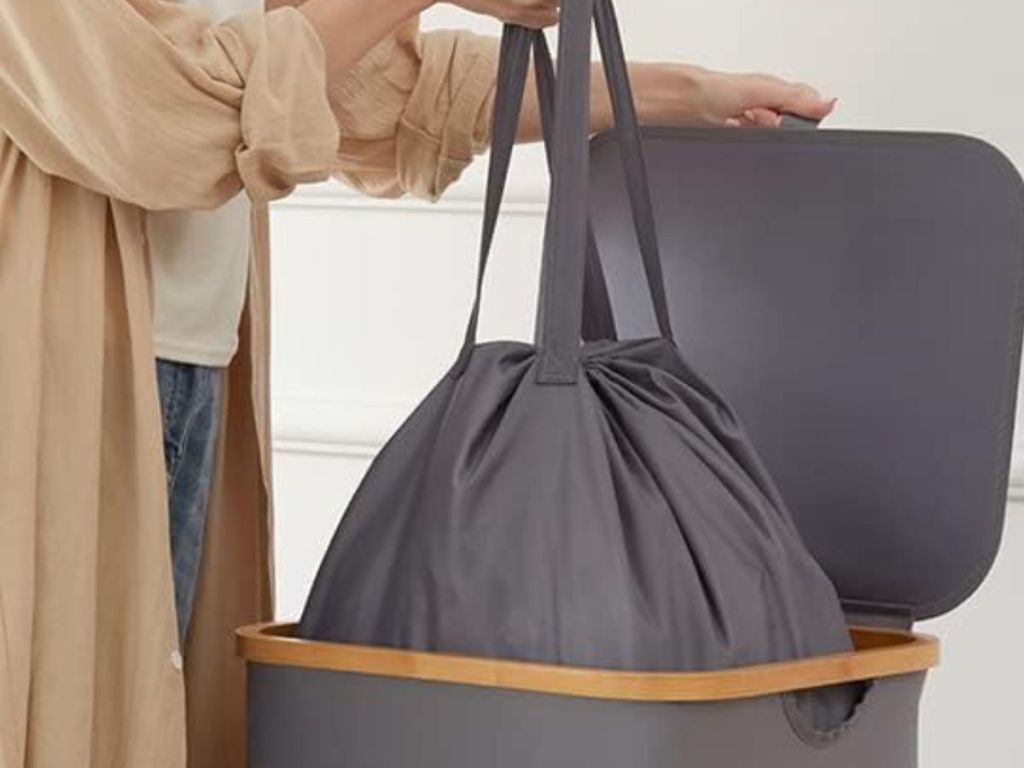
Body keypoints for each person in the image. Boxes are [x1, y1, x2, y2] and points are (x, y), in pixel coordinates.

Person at [0, 0, 835, 766]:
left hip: (186, 372)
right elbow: (164, 118)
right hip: (50, 379)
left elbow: (371, 91)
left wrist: (677, 93)